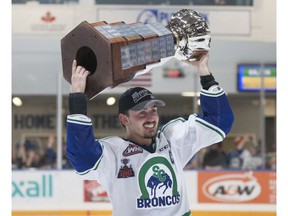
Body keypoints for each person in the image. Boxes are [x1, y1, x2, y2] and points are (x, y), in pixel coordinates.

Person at [66, 54, 234, 216]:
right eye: (141, 112)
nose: (150, 117)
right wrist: (77, 97)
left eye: (153, 110)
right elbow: (82, 157)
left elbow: (220, 122)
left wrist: (204, 72)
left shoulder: (173, 139)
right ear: (124, 119)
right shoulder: (113, 154)